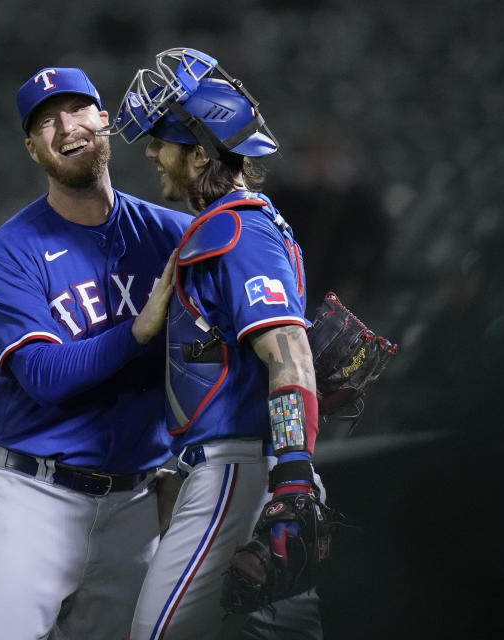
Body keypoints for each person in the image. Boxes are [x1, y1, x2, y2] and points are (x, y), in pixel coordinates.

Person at [0, 66, 190, 639]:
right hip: (32, 493)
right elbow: (44, 376)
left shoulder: (172, 234)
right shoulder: (11, 252)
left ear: (104, 120)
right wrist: (136, 331)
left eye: (77, 109)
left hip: (136, 499)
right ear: (33, 149)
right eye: (45, 122)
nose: (65, 127)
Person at [104, 48, 325, 639]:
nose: (152, 151)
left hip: (240, 473)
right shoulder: (236, 225)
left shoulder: (236, 229)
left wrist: (294, 477)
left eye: (164, 141)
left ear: (201, 154)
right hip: (253, 468)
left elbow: (290, 352)